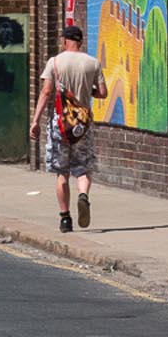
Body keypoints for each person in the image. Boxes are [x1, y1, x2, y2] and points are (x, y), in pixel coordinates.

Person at [29, 23, 107, 232]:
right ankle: (83, 195)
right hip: (82, 123)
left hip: (60, 124)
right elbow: (102, 93)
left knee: (61, 172)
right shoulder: (93, 63)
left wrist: (35, 120)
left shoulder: (55, 62)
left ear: (65, 41)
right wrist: (85, 91)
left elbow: (46, 92)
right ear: (80, 42)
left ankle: (65, 218)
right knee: (83, 167)